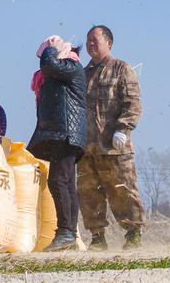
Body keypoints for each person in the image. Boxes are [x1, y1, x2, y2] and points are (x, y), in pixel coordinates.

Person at [80, 25, 146, 250]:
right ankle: (97, 237)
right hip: (87, 147)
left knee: (122, 189)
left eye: (95, 40)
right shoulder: (82, 73)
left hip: (115, 146)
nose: (90, 44)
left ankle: (133, 235)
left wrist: (123, 129)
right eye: (88, 40)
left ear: (108, 42)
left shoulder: (122, 69)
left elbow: (133, 104)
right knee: (89, 193)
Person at [26, 36, 87, 252]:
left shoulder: (70, 65)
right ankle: (68, 233)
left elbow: (48, 64)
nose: (44, 55)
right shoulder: (62, 70)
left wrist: (52, 49)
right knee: (66, 182)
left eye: (50, 51)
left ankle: (66, 233)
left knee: (58, 181)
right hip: (61, 133)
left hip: (66, 133)